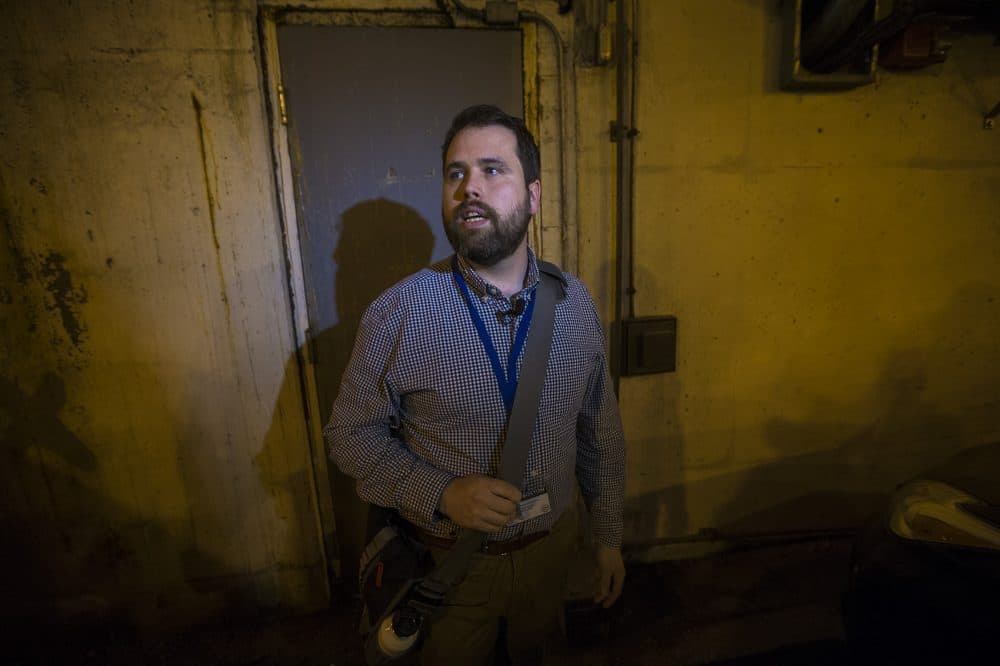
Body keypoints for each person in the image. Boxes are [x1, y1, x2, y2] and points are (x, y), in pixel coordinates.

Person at [325, 104, 626, 664]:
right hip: (451, 571)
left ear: (533, 196)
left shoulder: (575, 304)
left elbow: (599, 434)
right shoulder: (400, 312)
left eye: (492, 170)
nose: (469, 188)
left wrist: (608, 538)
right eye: (455, 173)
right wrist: (440, 492)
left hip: (549, 560)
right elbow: (349, 436)